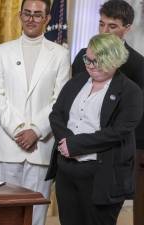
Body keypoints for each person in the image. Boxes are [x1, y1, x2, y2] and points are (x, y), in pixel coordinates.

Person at [46, 33, 143, 225]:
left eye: (96, 61)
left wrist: (75, 144)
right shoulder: (77, 81)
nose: (90, 65)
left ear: (114, 61)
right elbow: (56, 114)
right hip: (67, 172)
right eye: (87, 60)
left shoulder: (131, 91)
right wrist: (65, 141)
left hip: (102, 176)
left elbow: (119, 131)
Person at [0, 0, 70, 225]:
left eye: (37, 15)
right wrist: (19, 129)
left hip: (41, 146)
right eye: (27, 13)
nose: (31, 19)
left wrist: (36, 130)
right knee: (4, 211)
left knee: (35, 215)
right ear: (20, 15)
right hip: (8, 144)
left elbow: (60, 100)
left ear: (47, 19)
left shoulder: (61, 54)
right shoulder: (1, 52)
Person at [72, 2, 144, 223]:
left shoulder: (137, 64)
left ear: (127, 28)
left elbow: (138, 116)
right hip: (80, 149)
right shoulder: (82, 57)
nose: (104, 31)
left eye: (112, 26)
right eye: (101, 24)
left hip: (117, 152)